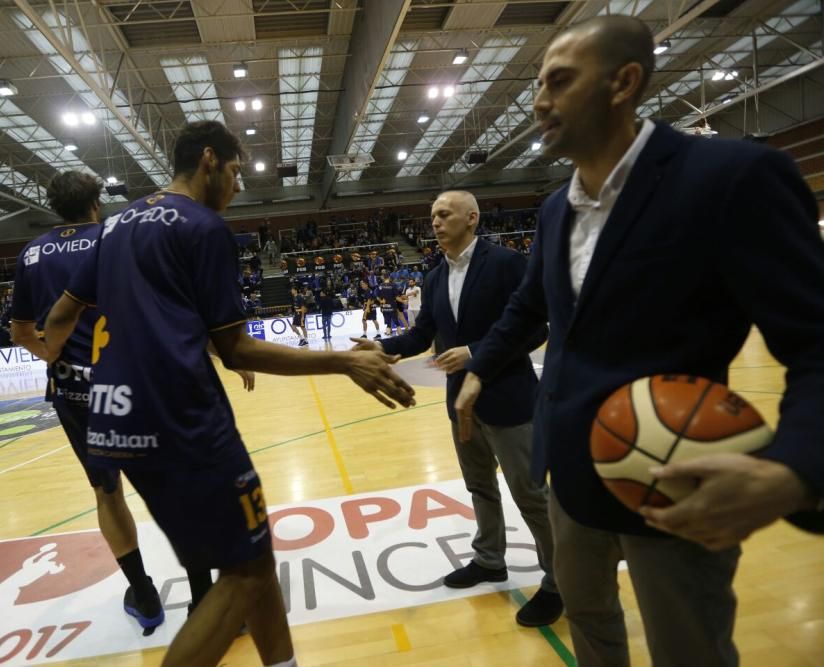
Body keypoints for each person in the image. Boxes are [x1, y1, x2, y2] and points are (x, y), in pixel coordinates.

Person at [454, 15, 824, 667]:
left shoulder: (731, 177)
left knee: (690, 649)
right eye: (539, 84)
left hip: (675, 479)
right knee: (591, 625)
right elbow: (529, 305)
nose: (539, 100)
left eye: (560, 81)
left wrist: (791, 469)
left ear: (624, 81)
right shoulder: (553, 208)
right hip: (569, 476)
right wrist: (482, 365)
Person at [43, 120, 414, 667]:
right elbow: (237, 347)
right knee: (245, 572)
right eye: (237, 172)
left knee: (252, 560)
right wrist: (343, 360)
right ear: (209, 160)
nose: (239, 186)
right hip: (183, 420)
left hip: (112, 420)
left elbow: (60, 315)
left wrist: (68, 375)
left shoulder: (117, 226)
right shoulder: (203, 227)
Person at [10, 170, 206, 634]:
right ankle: (204, 598)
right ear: (97, 202)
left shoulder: (31, 253)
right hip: (136, 381)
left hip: (74, 391)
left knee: (107, 491)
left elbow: (20, 332)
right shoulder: (120, 237)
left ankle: (144, 595)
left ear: (55, 208)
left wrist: (53, 354)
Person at [354, 191, 560, 627]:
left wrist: (476, 353)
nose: (435, 221)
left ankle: (560, 581)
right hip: (459, 402)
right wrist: (383, 347)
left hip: (509, 397)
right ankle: (489, 559)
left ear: (472, 217)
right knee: (479, 486)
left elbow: (536, 329)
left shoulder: (506, 263)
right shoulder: (432, 278)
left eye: (444, 214)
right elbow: (422, 335)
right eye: (432, 216)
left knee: (530, 494)